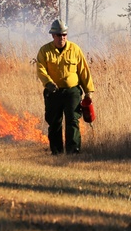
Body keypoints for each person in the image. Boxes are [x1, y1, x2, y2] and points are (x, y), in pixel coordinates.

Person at [36, 19, 95, 155]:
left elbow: (83, 71)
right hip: (53, 92)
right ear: (53, 36)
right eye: (58, 35)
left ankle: (73, 151)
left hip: (72, 92)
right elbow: (40, 69)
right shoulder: (45, 51)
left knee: (72, 121)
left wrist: (88, 91)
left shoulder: (75, 49)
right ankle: (56, 152)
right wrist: (49, 83)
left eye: (64, 35)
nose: (61, 38)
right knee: (54, 122)